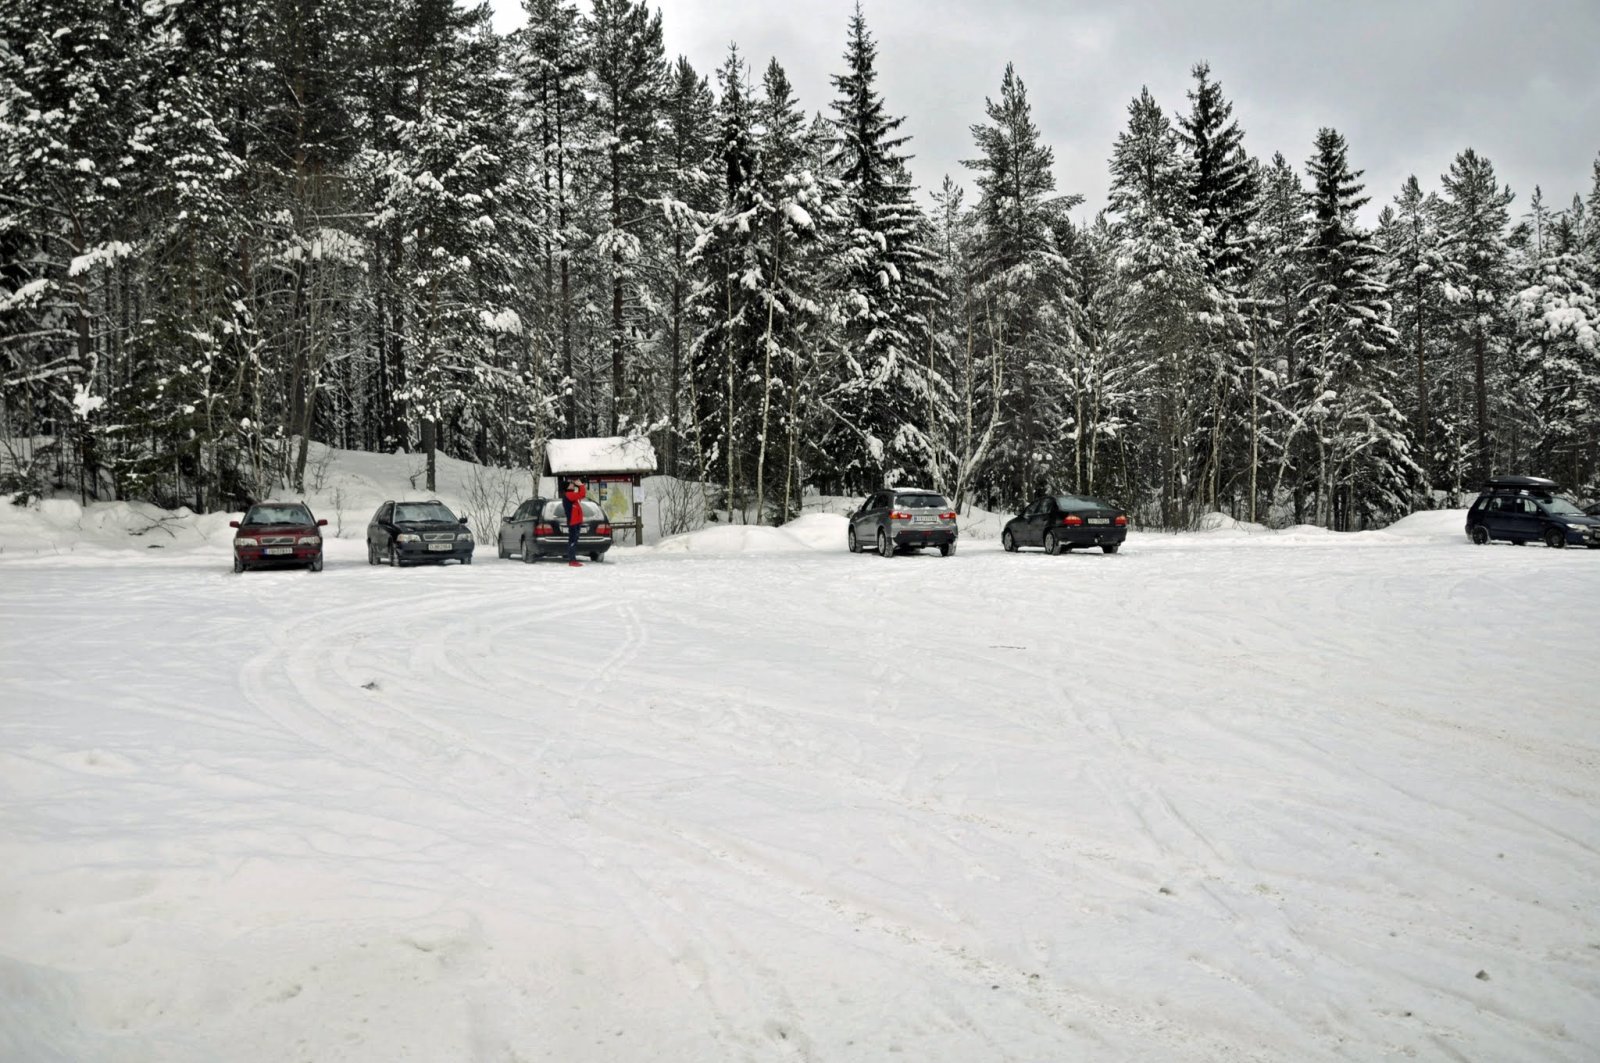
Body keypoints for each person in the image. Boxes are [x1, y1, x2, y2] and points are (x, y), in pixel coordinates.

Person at [562, 479, 587, 566]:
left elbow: (580, 495)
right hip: (573, 522)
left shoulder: (571, 494)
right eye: (571, 484)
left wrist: (581, 486)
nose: (573, 485)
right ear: (567, 487)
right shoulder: (569, 495)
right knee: (572, 541)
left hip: (576, 521)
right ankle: (572, 560)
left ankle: (572, 559)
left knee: (574, 540)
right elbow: (582, 494)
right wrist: (581, 485)